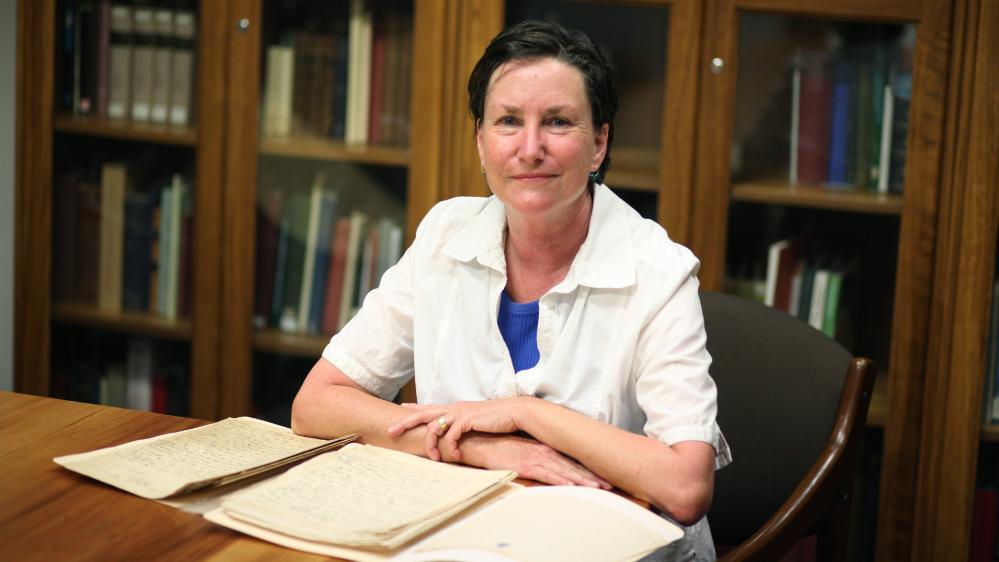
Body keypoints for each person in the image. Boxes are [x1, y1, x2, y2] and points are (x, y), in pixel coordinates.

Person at [291, 19, 730, 560]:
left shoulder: (658, 272)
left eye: (558, 122)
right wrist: (484, 447)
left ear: (599, 143)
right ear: (480, 142)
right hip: (464, 539)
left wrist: (527, 416)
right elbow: (316, 406)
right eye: (507, 121)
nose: (529, 148)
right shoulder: (445, 235)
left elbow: (686, 487)